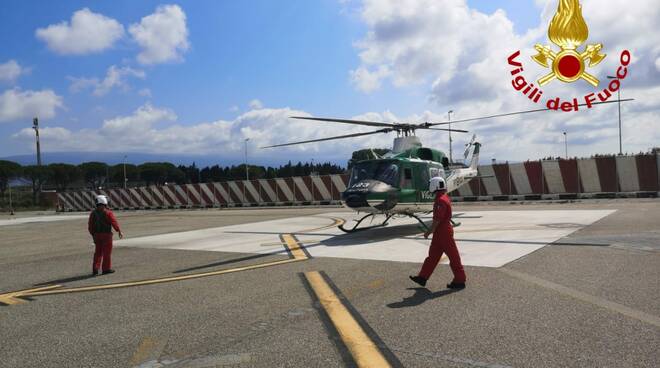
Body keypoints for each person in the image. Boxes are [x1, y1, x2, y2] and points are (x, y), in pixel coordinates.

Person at [410, 176, 467, 289]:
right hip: (441, 232)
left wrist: (428, 232)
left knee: (453, 256)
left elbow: (437, 219)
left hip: (443, 232)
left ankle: (460, 280)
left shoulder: (440, 200)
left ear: (435, 185)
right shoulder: (442, 197)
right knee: (433, 256)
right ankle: (422, 277)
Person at [88, 195, 123, 275]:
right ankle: (106, 269)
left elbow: (90, 226)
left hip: (97, 235)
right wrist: (119, 231)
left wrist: (93, 234)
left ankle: (95, 269)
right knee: (107, 253)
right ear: (104, 202)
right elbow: (114, 222)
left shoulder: (93, 213)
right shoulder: (108, 212)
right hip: (106, 235)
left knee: (98, 252)